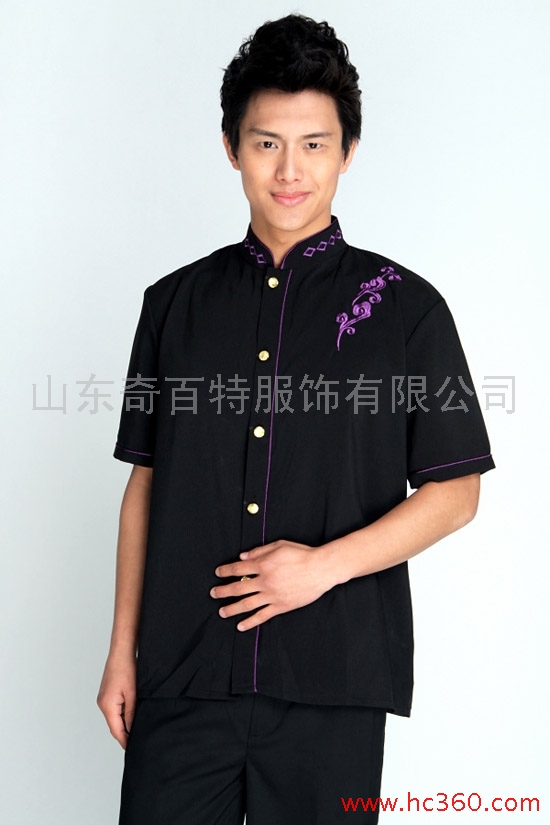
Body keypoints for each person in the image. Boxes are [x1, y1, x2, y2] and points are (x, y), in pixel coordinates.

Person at [97, 14, 495, 825]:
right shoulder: (172, 306)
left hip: (332, 684)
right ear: (231, 147)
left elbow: (456, 494)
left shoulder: (409, 311)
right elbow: (146, 484)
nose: (289, 170)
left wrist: (322, 568)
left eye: (314, 144)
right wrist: (120, 652)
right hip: (182, 673)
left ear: (348, 151)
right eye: (266, 143)